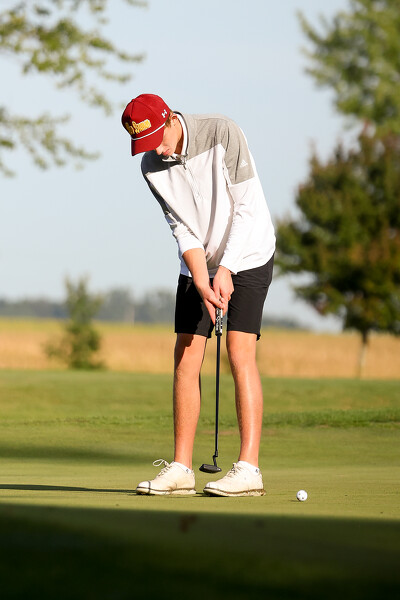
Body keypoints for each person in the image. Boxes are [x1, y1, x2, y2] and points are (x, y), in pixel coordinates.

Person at [121, 93, 275, 497]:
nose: (157, 150)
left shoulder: (222, 132)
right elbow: (182, 228)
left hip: (251, 253)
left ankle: (249, 469)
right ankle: (181, 469)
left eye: (158, 138)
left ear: (171, 119)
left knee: (239, 351)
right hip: (200, 261)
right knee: (187, 353)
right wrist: (203, 280)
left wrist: (226, 269)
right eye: (145, 144)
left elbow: (247, 208)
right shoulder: (151, 166)